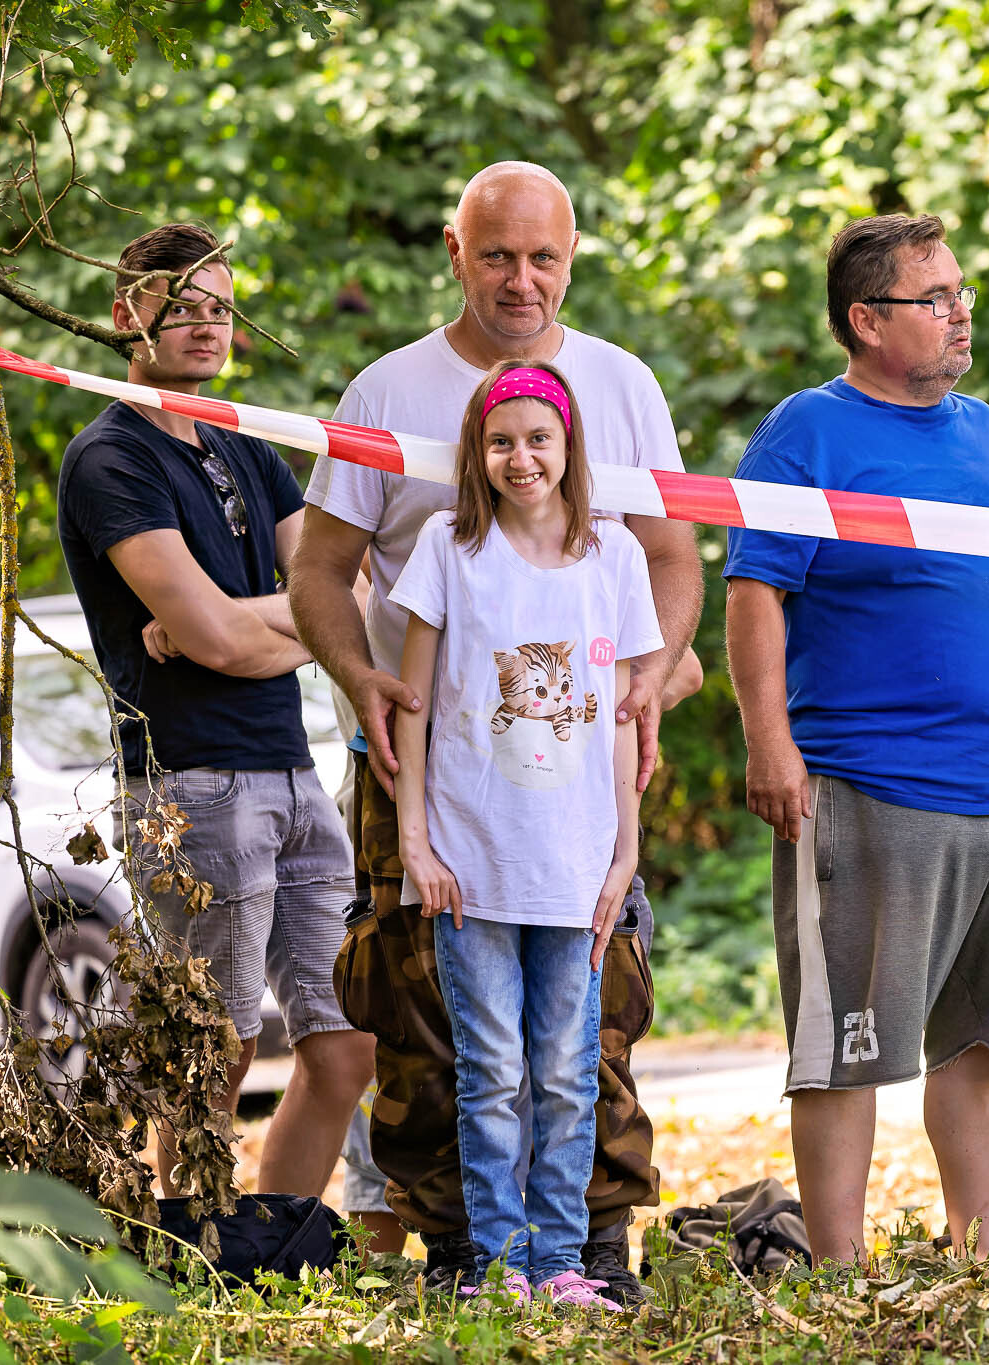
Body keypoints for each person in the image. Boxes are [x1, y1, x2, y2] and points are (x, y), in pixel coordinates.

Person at [289, 162, 703, 1298]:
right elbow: (319, 570)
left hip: (577, 767)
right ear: (453, 251)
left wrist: (645, 683)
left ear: (572, 258)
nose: (522, 280)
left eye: (544, 258)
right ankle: (463, 1247)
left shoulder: (621, 385)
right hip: (419, 761)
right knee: (426, 1014)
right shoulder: (385, 391)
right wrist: (361, 678)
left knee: (591, 1013)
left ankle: (591, 1241)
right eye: (497, 256)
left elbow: (671, 560)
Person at [724, 213, 989, 1265]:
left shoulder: (986, 431)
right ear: (866, 320)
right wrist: (769, 743)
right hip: (876, 783)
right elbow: (754, 590)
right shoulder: (806, 432)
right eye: (934, 298)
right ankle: (838, 1277)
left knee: (977, 1042)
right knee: (846, 1050)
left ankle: (979, 1259)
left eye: (959, 292)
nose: (959, 312)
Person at [56, 222, 372, 1195]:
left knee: (346, 1043)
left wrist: (234, 617)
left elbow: (348, 599)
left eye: (221, 308)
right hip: (189, 783)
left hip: (294, 770)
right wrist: (255, 622)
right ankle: (188, 1240)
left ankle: (263, 1242)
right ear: (126, 315)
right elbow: (228, 640)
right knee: (215, 1042)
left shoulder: (246, 446)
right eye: (182, 307)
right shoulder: (110, 459)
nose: (206, 325)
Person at [388, 360, 662, 1307]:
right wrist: (416, 843)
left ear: (568, 444)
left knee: (567, 1074)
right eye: (500, 441)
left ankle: (561, 1265)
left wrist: (625, 853)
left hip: (577, 865)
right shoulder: (449, 547)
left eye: (538, 438)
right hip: (471, 862)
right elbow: (414, 708)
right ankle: (500, 1265)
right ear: (478, 451)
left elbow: (623, 719)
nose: (521, 458)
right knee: (492, 1070)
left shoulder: (614, 555)